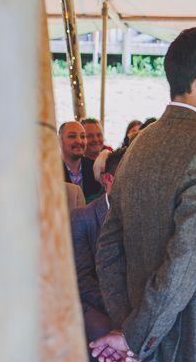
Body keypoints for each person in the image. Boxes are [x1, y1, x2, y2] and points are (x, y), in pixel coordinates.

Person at [93, 26, 196, 362]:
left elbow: (108, 248)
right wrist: (135, 336)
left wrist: (131, 326)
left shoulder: (140, 144)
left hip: (155, 338)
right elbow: (186, 258)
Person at [71, 148, 126, 346]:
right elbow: (82, 278)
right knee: (103, 330)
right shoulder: (83, 217)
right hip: (96, 304)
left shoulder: (143, 216)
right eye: (127, 178)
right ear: (108, 179)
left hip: (135, 305)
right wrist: (119, 307)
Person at [60, 121, 102, 202]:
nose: (79, 141)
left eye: (83, 136)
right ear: (59, 140)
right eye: (72, 136)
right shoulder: (51, 173)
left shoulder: (95, 168)